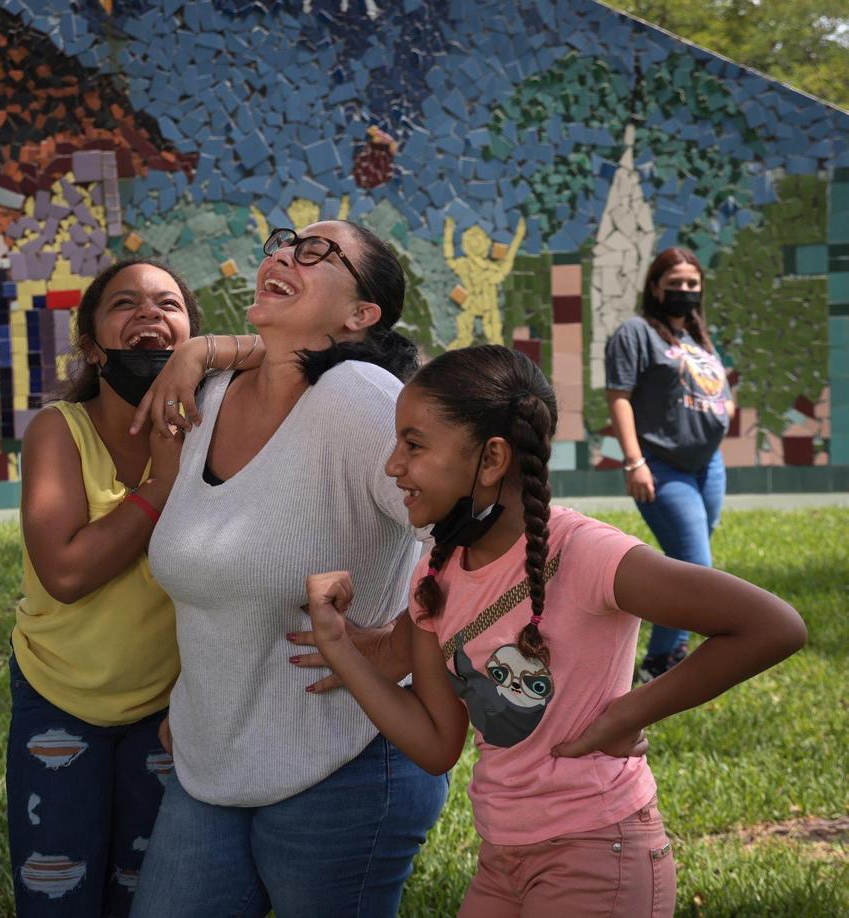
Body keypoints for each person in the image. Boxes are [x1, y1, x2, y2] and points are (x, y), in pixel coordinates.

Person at [304, 345, 805, 917]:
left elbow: (772, 626)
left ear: (491, 459)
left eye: (413, 445)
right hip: (503, 856)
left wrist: (628, 713)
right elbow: (437, 744)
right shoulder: (437, 573)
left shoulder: (582, 552)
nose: (393, 465)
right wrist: (339, 646)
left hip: (599, 851)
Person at [129, 223, 449, 918]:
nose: (280, 254)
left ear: (360, 315)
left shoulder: (358, 397)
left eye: (314, 252)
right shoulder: (209, 399)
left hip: (344, 765)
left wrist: (398, 643)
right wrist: (207, 692)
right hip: (209, 764)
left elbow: (475, 534)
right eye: (282, 242)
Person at [7, 258, 259, 915]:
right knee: (57, 890)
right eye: (125, 304)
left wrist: (206, 354)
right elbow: (65, 573)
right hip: (59, 694)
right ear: (91, 346)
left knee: (142, 892)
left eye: (168, 304)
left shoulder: (218, 428)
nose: (148, 313)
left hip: (168, 708)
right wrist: (162, 484)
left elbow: (313, 351)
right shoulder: (58, 430)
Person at [605, 248, 735, 682]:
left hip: (707, 466)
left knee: (684, 562)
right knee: (696, 566)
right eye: (675, 283)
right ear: (655, 286)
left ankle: (664, 655)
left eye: (692, 284)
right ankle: (661, 661)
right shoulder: (635, 333)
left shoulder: (695, 336)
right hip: (661, 465)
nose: (684, 291)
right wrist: (634, 461)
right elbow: (619, 396)